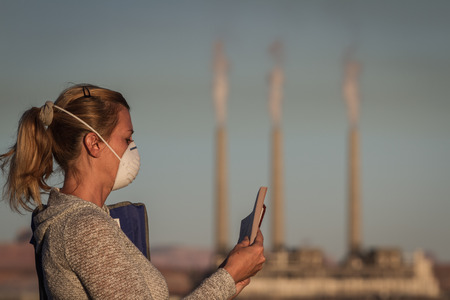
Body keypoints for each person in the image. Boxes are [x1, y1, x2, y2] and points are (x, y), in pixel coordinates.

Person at [0, 84, 265, 299]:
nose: (132, 148)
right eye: (126, 138)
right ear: (94, 143)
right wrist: (227, 277)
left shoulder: (81, 221)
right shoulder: (85, 228)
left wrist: (228, 277)